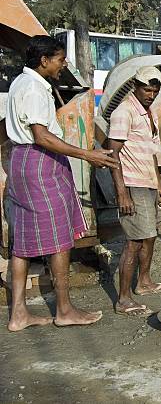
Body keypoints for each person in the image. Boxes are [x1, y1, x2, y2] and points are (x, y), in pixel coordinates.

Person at [6, 35, 118, 331]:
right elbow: (42, 137)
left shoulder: (20, 82)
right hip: (39, 164)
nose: (63, 64)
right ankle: (64, 310)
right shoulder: (34, 88)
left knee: (21, 245)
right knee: (58, 240)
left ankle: (19, 314)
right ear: (43, 61)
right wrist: (86, 154)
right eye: (59, 59)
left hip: (20, 161)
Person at [107, 66, 161, 316]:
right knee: (134, 242)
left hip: (149, 184)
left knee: (150, 235)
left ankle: (144, 282)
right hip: (133, 185)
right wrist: (122, 192)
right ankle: (123, 299)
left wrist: (160, 188)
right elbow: (113, 154)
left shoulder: (150, 113)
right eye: (147, 89)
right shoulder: (124, 112)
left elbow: (152, 155)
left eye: (155, 90)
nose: (151, 94)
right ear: (135, 85)